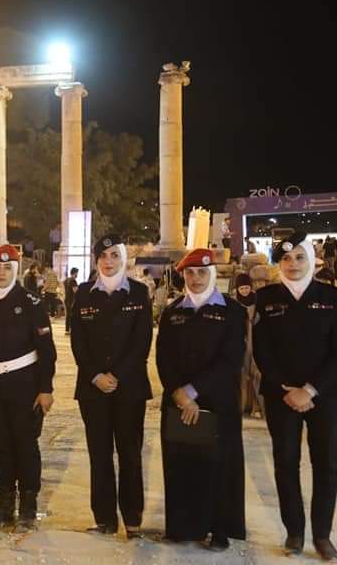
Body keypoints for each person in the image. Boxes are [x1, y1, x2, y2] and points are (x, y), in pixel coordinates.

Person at [253, 232, 337, 561]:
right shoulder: (266, 299)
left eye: (299, 257)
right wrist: (287, 388)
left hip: (325, 394)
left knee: (325, 465)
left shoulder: (332, 297)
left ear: (311, 260)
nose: (292, 264)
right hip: (281, 396)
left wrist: (308, 390)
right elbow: (262, 352)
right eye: (285, 259)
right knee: (285, 463)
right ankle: (294, 532)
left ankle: (322, 535)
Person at [156, 248, 246, 551]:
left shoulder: (232, 311)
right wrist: (178, 393)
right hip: (179, 402)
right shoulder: (172, 312)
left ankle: (219, 529)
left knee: (219, 466)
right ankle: (184, 527)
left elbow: (231, 359)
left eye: (202, 273)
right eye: (190, 273)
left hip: (217, 402)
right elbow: (163, 357)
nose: (195, 279)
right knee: (182, 464)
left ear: (213, 274)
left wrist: (193, 391)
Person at [0, 244, 56, 531]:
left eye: (7, 268)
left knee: (25, 445)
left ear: (15, 271)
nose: (1, 273)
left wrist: (45, 388)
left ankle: (28, 507)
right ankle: (4, 507)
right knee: (1, 446)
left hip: (24, 385)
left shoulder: (31, 302)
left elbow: (46, 350)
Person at [70, 235, 153, 538]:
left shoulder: (138, 292)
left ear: (123, 259)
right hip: (92, 389)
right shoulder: (83, 293)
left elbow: (141, 341)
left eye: (114, 255)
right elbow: (78, 339)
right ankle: (104, 519)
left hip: (128, 387)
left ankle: (132, 519)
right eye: (103, 256)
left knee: (130, 454)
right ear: (96, 261)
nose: (109, 261)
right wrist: (95, 375)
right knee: (99, 454)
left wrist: (116, 375)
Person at [231, 273, 263, 418]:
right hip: (241, 343)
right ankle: (243, 406)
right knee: (243, 375)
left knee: (256, 374)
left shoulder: (257, 301)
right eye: (241, 288)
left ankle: (257, 406)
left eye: (246, 287)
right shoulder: (234, 303)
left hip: (256, 342)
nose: (244, 291)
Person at [63, 267, 79, 335]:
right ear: (74, 273)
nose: (77, 275)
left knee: (68, 315)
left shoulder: (66, 280)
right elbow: (75, 291)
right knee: (72, 315)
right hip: (72, 300)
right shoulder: (73, 281)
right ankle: (71, 329)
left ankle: (67, 330)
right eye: (77, 273)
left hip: (66, 299)